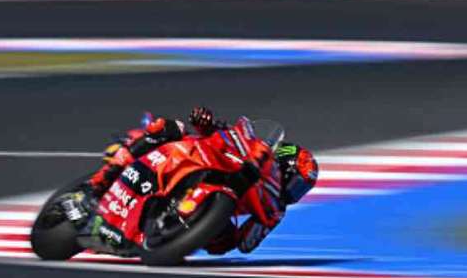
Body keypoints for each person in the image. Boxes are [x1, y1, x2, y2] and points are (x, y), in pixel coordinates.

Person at [87, 106, 318, 255]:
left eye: (301, 190)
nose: (293, 192)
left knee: (224, 242)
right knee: (169, 128)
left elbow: (246, 244)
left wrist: (249, 230)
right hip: (190, 158)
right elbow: (215, 131)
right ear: (280, 165)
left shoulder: (275, 210)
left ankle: (170, 234)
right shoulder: (253, 151)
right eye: (295, 183)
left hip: (216, 201)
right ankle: (97, 183)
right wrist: (205, 120)